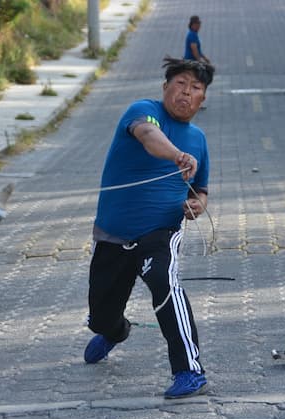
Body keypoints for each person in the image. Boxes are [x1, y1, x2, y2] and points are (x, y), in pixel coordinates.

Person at [84, 57, 215, 399]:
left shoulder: (199, 139)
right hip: (113, 233)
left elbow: (200, 190)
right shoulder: (143, 111)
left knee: (163, 281)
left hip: (160, 231)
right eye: (180, 84)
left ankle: (189, 370)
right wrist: (177, 155)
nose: (186, 93)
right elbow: (148, 135)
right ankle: (115, 331)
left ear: (203, 99)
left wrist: (197, 205)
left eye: (195, 88)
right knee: (100, 316)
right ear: (165, 87)